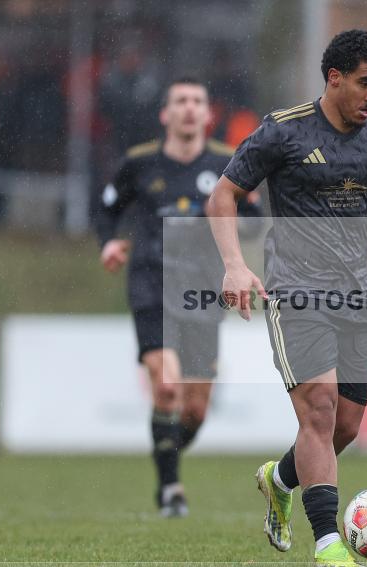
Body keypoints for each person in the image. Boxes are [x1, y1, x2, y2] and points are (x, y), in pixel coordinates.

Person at [206, 30, 367, 567]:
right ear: (335, 78)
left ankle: (279, 481)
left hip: (359, 297)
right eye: (365, 83)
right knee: (318, 411)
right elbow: (223, 194)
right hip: (296, 291)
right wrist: (234, 264)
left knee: (344, 425)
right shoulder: (285, 131)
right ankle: (328, 543)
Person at [96, 77, 259, 518]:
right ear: (165, 115)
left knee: (195, 409)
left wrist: (235, 236)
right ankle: (171, 488)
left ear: (208, 115)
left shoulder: (230, 163)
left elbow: (256, 217)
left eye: (197, 102)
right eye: (180, 102)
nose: (189, 109)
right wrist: (108, 242)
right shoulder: (139, 163)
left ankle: (165, 452)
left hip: (205, 288)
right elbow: (107, 209)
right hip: (151, 282)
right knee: (166, 386)